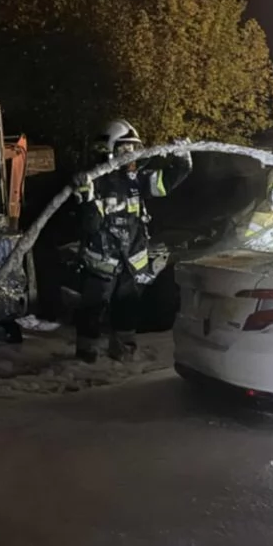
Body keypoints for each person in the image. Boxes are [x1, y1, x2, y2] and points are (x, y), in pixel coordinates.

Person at [72, 119, 192, 363]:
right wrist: (87, 200)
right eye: (125, 150)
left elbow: (166, 182)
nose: (132, 156)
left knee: (127, 309)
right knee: (92, 310)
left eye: (134, 149)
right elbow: (90, 226)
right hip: (101, 262)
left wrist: (182, 159)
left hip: (131, 260)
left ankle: (124, 351)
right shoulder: (94, 181)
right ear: (110, 150)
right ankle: (86, 356)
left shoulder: (136, 180)